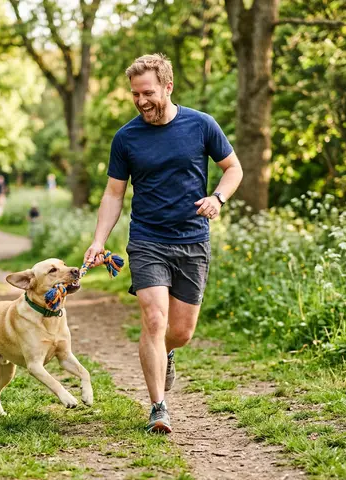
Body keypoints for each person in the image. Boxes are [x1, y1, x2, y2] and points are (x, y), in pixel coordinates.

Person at [83, 54, 243, 434]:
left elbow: (233, 169)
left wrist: (217, 198)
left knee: (181, 331)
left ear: (168, 86)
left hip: (192, 240)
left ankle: (167, 352)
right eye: (135, 95)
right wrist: (98, 240)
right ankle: (158, 407)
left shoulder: (201, 125)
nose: (141, 101)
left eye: (148, 93)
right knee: (154, 318)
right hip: (147, 239)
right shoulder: (126, 138)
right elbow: (113, 194)